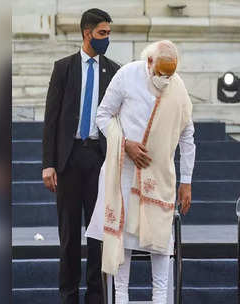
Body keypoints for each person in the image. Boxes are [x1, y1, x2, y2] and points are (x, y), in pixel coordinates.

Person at [85, 40, 196, 304]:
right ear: (149, 63)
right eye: (161, 73)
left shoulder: (177, 87)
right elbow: (102, 116)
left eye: (170, 74)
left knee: (160, 251)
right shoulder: (127, 75)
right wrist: (125, 145)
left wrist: (187, 181)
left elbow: (187, 134)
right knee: (122, 259)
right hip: (124, 174)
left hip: (160, 179)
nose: (165, 80)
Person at [41, 8, 120, 304]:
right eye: (102, 33)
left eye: (108, 33)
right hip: (68, 159)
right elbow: (51, 119)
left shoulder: (113, 71)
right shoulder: (63, 68)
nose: (106, 39)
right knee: (69, 235)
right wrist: (48, 163)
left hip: (99, 161)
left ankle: (96, 297)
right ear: (87, 33)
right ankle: (68, 296)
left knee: (98, 234)